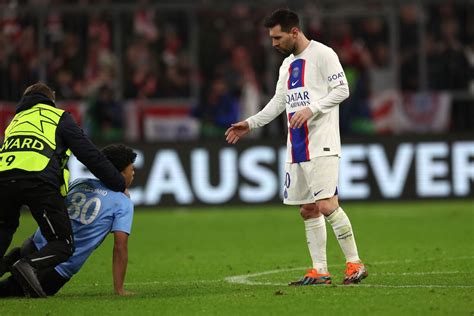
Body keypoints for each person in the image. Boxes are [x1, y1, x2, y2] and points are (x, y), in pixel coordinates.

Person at [225, 9, 368, 285]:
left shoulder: (323, 54)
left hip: (322, 143)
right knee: (308, 209)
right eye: (271, 38)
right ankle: (320, 270)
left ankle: (354, 264)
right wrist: (251, 123)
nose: (273, 43)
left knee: (326, 204)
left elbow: (342, 90)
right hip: (297, 146)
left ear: (294, 32)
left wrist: (312, 109)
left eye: (277, 37)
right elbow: (280, 102)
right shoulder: (287, 65)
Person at [0, 82, 126, 297]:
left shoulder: (15, 122)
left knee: (3, 229)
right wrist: (119, 183)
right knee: (62, 244)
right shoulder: (58, 117)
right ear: (52, 98)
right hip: (39, 179)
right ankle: (27, 265)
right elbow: (90, 155)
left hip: (3, 179)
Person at [0, 143, 136, 297]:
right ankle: (16, 265)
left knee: (19, 261)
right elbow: (120, 246)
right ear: (120, 173)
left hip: (33, 244)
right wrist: (119, 289)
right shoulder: (122, 202)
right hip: (58, 268)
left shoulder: (79, 183)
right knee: (9, 291)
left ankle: (11, 260)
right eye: (131, 169)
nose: (133, 173)